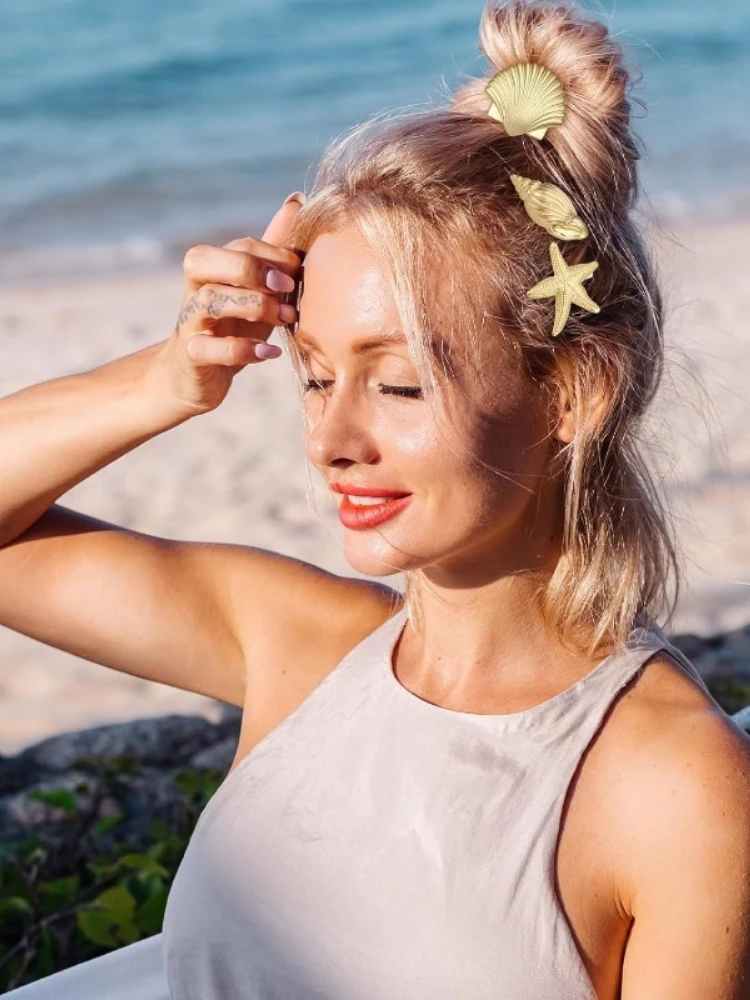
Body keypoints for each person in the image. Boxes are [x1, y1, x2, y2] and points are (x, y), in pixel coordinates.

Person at [3, 1, 750, 997]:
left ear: (570, 391)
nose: (331, 441)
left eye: (398, 383)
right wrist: (167, 378)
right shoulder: (297, 646)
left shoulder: (670, 784)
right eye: (316, 377)